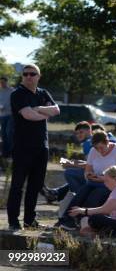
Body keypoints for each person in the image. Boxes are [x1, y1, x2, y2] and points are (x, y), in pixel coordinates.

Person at [7, 64, 60, 230]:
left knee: (35, 186)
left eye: (32, 74)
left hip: (41, 147)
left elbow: (56, 110)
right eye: (25, 74)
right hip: (23, 147)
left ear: (38, 76)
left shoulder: (43, 93)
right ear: (22, 76)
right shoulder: (17, 94)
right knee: (17, 186)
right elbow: (28, 115)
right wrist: (44, 113)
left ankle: (30, 221)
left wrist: (38, 109)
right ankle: (13, 221)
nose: (29, 77)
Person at [58, 130, 116, 230]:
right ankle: (67, 219)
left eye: (101, 147)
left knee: (96, 194)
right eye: (96, 148)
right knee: (83, 191)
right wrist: (89, 175)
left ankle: (82, 219)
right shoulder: (93, 151)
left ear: (107, 142)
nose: (99, 151)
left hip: (114, 185)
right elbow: (87, 171)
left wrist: (103, 178)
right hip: (96, 182)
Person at [41, 122, 116, 203]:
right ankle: (55, 193)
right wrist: (75, 162)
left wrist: (71, 163)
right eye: (76, 133)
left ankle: (79, 198)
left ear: (89, 131)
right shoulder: (112, 141)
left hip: (106, 174)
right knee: (77, 175)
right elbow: (92, 163)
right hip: (114, 174)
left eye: (81, 132)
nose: (78, 135)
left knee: (70, 173)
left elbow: (91, 166)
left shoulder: (88, 143)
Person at [69, 165, 116, 237]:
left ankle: (91, 231)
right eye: (104, 181)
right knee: (87, 218)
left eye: (107, 181)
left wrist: (83, 210)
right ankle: (92, 231)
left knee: (94, 218)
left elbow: (105, 210)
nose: (105, 184)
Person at [0, 76, 15, 160]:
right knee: (3, 134)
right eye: (1, 82)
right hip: (2, 115)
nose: (2, 84)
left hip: (11, 115)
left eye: (3, 82)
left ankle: (11, 152)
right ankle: (5, 153)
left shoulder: (12, 91)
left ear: (7, 82)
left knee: (9, 132)